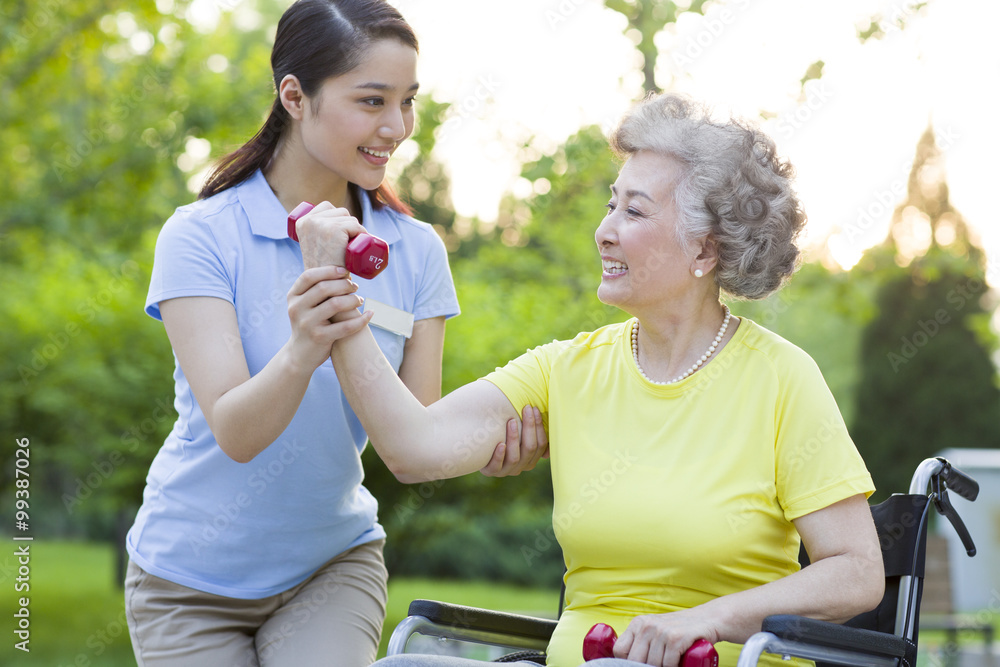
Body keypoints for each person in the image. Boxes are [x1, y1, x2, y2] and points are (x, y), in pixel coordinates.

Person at [302, 93, 885, 667]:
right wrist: (334, 292)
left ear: (704, 248)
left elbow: (856, 574)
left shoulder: (781, 379)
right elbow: (415, 448)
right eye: (611, 206)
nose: (604, 230)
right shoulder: (566, 369)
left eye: (634, 211)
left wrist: (704, 620)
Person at [123, 2, 546, 666]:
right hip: (188, 581)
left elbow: (415, 436)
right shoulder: (202, 235)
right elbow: (237, 431)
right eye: (371, 100)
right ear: (295, 95)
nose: (396, 127)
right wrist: (304, 344)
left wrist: (491, 446)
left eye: (407, 102)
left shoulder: (415, 250)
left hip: (331, 564)